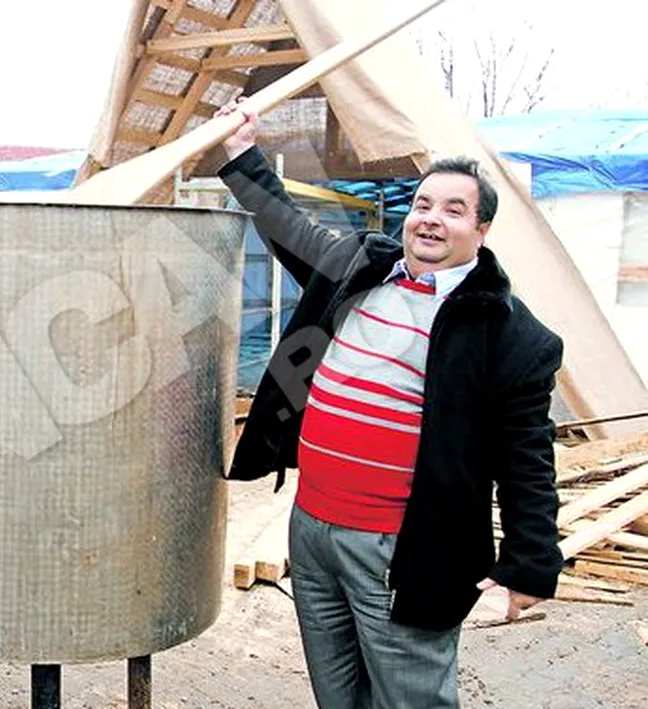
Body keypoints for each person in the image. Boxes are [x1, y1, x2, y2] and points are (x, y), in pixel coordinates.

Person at [216, 97, 564, 708]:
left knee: (409, 697)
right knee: (337, 692)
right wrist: (240, 149)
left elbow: (525, 456)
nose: (431, 219)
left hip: (401, 548)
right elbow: (286, 223)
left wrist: (530, 560)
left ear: (481, 230)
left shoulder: (508, 334)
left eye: (454, 211)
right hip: (313, 530)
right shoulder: (357, 270)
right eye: (423, 204)